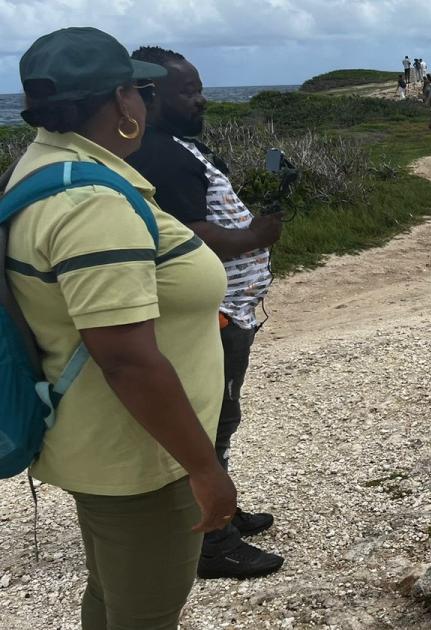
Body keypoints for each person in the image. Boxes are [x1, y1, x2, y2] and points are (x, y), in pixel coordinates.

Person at [6, 27, 236, 627]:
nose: (143, 101)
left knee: (113, 598)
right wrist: (205, 469)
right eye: (139, 90)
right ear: (121, 104)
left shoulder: (47, 168)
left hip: (106, 439)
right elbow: (126, 360)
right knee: (146, 613)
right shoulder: (92, 206)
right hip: (141, 457)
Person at [126, 45, 286, 580]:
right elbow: (194, 237)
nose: (201, 101)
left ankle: (222, 509)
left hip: (228, 310)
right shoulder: (160, 154)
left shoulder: (171, 146)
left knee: (223, 416)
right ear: (149, 96)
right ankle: (212, 540)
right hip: (212, 316)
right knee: (210, 420)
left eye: (199, 89)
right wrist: (257, 235)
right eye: (187, 92)